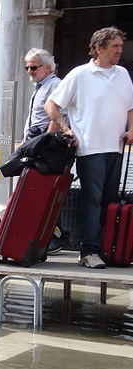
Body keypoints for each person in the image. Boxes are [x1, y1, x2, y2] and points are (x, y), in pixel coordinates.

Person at [45, 26, 133, 269]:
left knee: (109, 200)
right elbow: (51, 105)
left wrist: (131, 129)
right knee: (92, 200)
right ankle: (88, 250)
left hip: (115, 147)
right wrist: (65, 128)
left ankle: (107, 248)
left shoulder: (123, 74)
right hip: (90, 147)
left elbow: (130, 108)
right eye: (114, 46)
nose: (119, 51)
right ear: (99, 48)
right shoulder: (80, 74)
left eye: (120, 47)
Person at [24, 48, 68, 253]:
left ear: (47, 67)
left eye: (33, 67)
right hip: (38, 145)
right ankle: (47, 235)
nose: (29, 71)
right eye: (27, 67)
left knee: (45, 193)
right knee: (38, 192)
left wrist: (45, 143)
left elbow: (57, 116)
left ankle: (55, 235)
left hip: (47, 147)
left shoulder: (55, 85)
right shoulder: (41, 86)